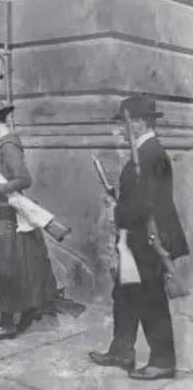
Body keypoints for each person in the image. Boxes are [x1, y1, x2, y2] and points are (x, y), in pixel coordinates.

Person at [89, 95, 189, 381]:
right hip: (136, 237)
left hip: (148, 240)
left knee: (150, 299)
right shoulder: (144, 152)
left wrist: (115, 209)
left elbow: (146, 205)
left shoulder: (150, 154)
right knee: (125, 295)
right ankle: (122, 351)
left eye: (124, 123)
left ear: (138, 123)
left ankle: (163, 362)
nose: (120, 129)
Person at [0, 100, 57, 340]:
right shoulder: (2, 145)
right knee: (14, 268)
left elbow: (24, 179)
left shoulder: (8, 146)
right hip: (2, 215)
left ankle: (6, 324)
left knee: (2, 270)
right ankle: (27, 311)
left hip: (5, 216)